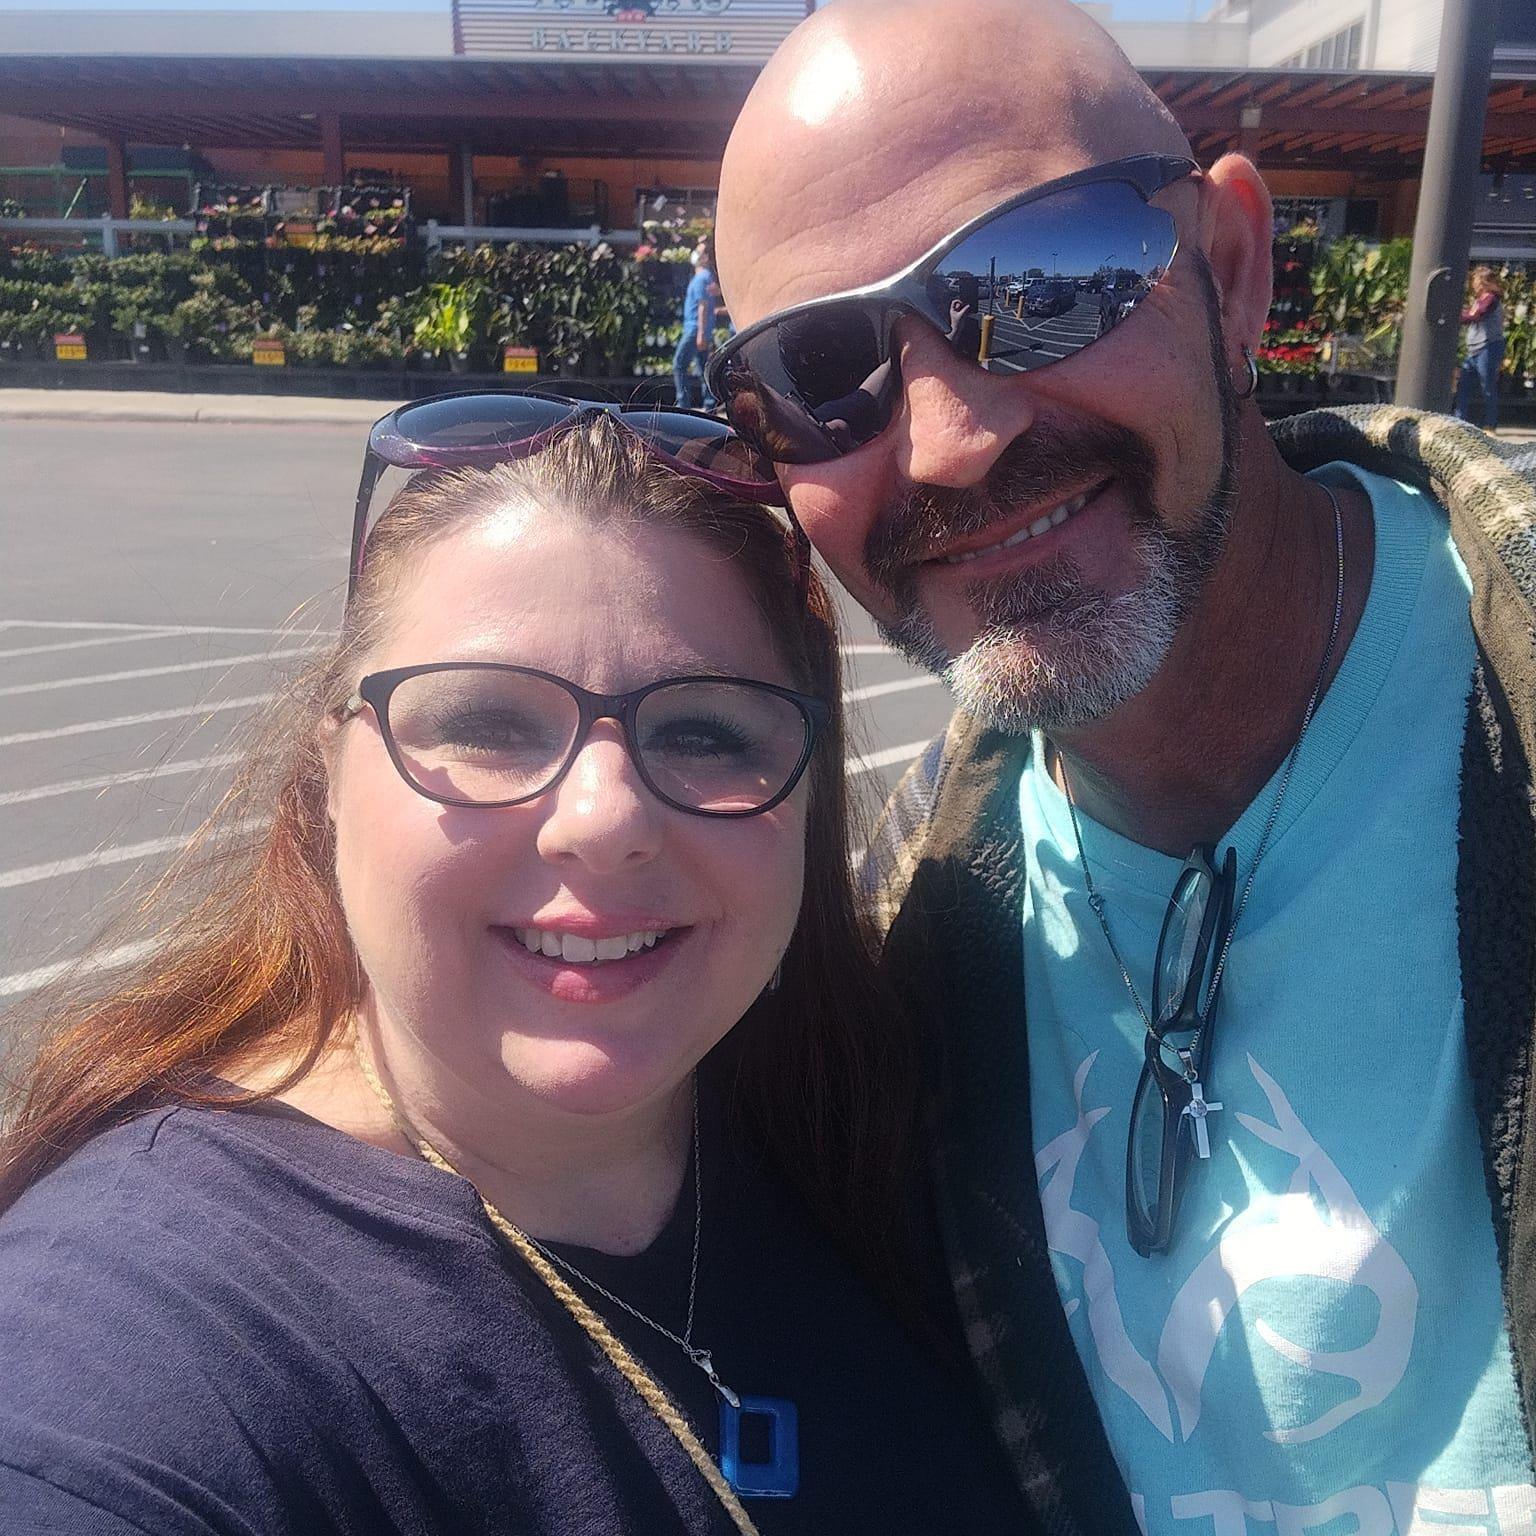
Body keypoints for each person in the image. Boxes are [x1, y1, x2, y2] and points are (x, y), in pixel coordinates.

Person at [708, 1, 1536, 1531]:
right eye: (823, 368)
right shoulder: (883, 966)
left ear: (1232, 267)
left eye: (1043, 280)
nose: (951, 440)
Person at [0, 396, 1030, 1534]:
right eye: (488, 722)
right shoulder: (126, 1353)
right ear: (326, 778)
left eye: (705, 731)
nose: (604, 819)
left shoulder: (884, 1144)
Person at [674, 234, 720, 411]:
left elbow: (703, 306)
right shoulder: (705, 278)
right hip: (699, 329)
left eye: (699, 251)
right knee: (703, 367)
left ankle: (683, 404)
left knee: (679, 364)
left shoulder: (701, 279)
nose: (695, 254)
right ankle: (709, 404)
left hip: (694, 329)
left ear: (705, 258)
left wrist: (701, 333)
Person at [1456, 265, 1506, 430]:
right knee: (1463, 385)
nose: (1473, 284)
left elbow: (1477, 316)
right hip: (1474, 349)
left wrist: (1458, 316)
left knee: (1487, 386)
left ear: (1483, 282)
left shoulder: (1491, 300)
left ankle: (1490, 424)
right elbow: (1471, 315)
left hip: (1487, 348)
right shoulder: (1478, 301)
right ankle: (1458, 420)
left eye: (1475, 281)